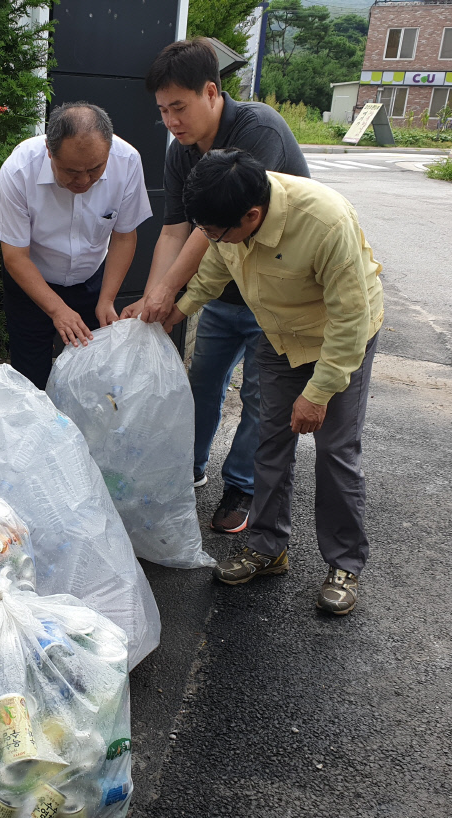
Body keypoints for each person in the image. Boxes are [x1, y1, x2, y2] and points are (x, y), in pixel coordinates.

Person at [163, 149, 384, 616]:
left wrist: (318, 393)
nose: (214, 238)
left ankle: (344, 565)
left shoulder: (324, 221)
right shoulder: (227, 220)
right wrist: (175, 312)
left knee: (336, 451)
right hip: (280, 336)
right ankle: (267, 548)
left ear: (254, 215)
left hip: (339, 339)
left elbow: (351, 317)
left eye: (218, 231)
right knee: (271, 442)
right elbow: (216, 269)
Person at [120, 39, 310, 534]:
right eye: (162, 111)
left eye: (178, 107)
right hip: (222, 291)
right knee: (202, 382)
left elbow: (214, 225)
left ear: (211, 92)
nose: (171, 121)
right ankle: (190, 469)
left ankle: (242, 486)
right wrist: (152, 293)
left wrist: (167, 294)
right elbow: (173, 229)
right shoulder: (180, 152)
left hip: (277, 292)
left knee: (260, 396)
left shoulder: (257, 129)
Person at [0, 102, 152, 390]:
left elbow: (124, 236)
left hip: (93, 281)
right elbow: (15, 256)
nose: (84, 180)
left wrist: (107, 299)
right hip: (32, 283)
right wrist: (57, 310)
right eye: (71, 171)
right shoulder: (18, 171)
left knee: (92, 381)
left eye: (94, 169)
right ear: (50, 152)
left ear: (109, 150)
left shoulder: (127, 161)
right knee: (30, 382)